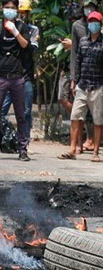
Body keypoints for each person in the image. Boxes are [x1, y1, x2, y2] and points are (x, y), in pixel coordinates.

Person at [0, 0, 31, 161]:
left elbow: (25, 45)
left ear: (17, 10)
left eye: (13, 8)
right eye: (7, 7)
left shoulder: (22, 27)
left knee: (21, 115)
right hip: (0, 77)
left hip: (17, 77)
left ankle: (23, 149)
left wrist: (15, 31)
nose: (10, 10)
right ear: (2, 9)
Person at [58, 11, 103, 162]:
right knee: (75, 116)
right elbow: (78, 62)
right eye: (91, 21)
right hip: (82, 85)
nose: (93, 24)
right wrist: (74, 80)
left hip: (98, 85)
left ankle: (95, 152)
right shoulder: (83, 41)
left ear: (100, 24)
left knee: (98, 120)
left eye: (95, 22)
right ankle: (72, 149)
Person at [0, 0, 39, 143]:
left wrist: (17, 33)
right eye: (20, 12)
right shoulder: (2, 28)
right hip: (7, 75)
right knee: (0, 110)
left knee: (25, 112)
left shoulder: (32, 30)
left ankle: (24, 140)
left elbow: (29, 47)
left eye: (24, 13)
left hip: (24, 75)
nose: (22, 16)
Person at [71, 0, 97, 152]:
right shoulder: (77, 26)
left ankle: (93, 143)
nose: (89, 10)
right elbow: (74, 54)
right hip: (82, 75)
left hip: (98, 76)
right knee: (78, 112)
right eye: (87, 7)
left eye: (92, 7)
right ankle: (77, 145)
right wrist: (74, 78)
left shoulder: (100, 26)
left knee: (96, 113)